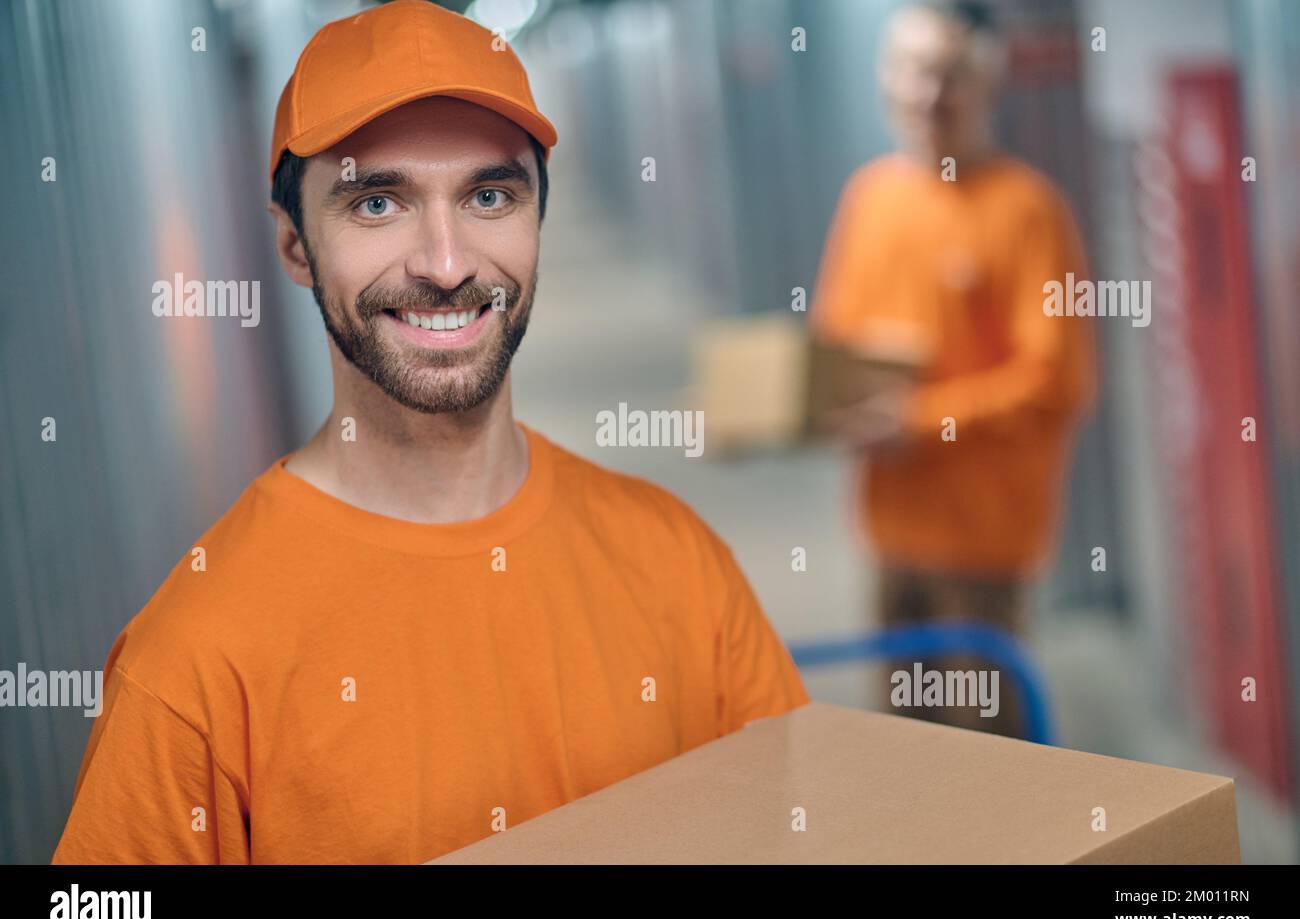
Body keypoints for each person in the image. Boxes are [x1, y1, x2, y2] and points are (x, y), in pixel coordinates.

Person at [52, 0, 808, 864]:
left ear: (535, 221)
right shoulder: (191, 670)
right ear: (296, 246)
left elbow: (795, 832)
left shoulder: (680, 565)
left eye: (489, 196)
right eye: (378, 203)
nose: (446, 264)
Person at [811, 0, 1096, 739]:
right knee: (909, 749)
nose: (927, 94)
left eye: (949, 75)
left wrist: (918, 420)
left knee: (988, 757)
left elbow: (1054, 380)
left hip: (983, 538)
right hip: (890, 530)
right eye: (911, 71)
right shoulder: (868, 198)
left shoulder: (1028, 210)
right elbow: (835, 345)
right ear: (885, 80)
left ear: (988, 85)